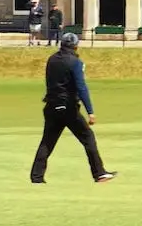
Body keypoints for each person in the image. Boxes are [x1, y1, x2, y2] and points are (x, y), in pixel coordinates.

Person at [31, 33, 109, 183]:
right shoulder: (75, 62)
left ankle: (37, 177)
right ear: (75, 45)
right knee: (88, 137)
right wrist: (90, 112)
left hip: (51, 106)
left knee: (47, 142)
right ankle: (99, 173)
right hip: (68, 108)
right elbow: (81, 87)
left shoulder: (52, 59)